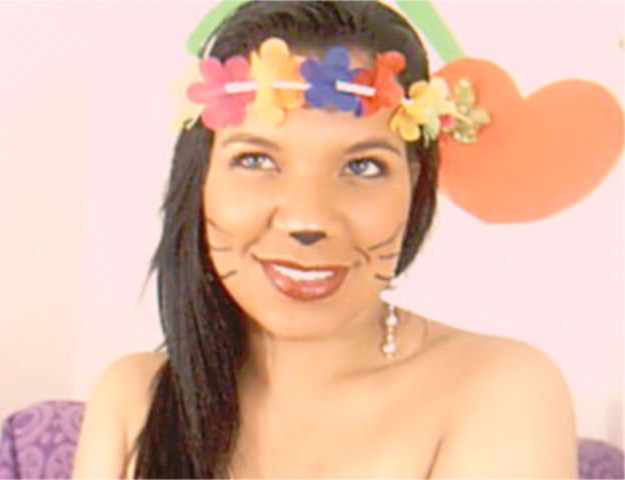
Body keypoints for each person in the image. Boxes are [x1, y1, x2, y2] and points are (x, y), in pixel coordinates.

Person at [72, 1, 578, 478]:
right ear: (199, 181)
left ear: (415, 184)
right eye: (256, 160)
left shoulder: (500, 389)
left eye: (363, 167)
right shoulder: (135, 399)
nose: (307, 220)